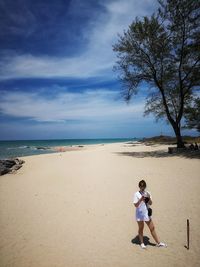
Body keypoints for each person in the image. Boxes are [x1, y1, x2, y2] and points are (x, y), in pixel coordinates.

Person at [133, 180, 167, 249]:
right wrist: (140, 199)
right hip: (139, 214)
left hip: (147, 213)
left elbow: (151, 203)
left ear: (145, 186)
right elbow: (135, 205)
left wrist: (148, 198)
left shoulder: (148, 193)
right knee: (141, 228)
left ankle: (158, 243)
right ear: (139, 186)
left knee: (152, 227)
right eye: (141, 187)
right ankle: (142, 243)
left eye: (143, 187)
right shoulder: (136, 194)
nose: (142, 188)